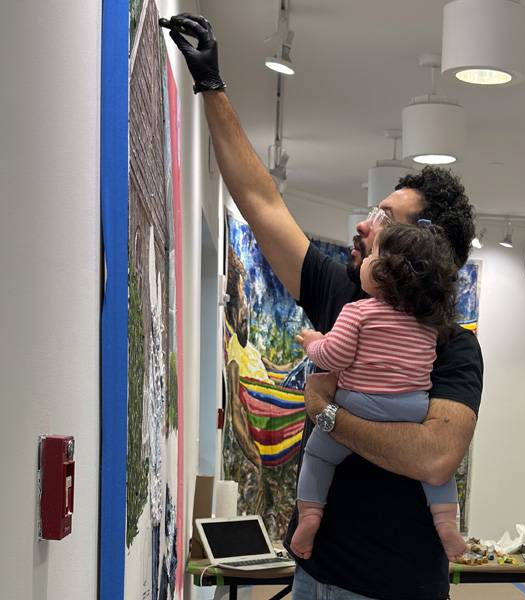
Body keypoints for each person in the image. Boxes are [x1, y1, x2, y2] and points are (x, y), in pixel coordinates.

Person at [164, 14, 483, 600]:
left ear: (423, 244)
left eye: (385, 218)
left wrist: (331, 415)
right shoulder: (344, 296)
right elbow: (260, 199)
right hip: (314, 577)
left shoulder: (455, 347)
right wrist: (210, 82)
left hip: (397, 589)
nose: (364, 223)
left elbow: (436, 457)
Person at [290, 223, 467, 562]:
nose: (366, 259)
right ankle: (446, 524)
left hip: (358, 403)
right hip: (413, 409)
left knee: (318, 455)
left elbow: (335, 356)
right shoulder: (428, 326)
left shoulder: (357, 311)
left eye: (372, 255)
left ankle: (310, 515)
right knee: (437, 476)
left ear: (385, 271)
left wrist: (314, 345)